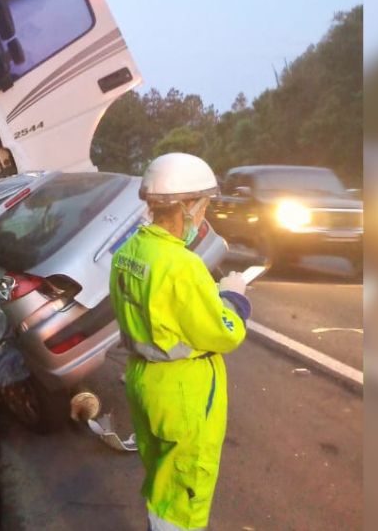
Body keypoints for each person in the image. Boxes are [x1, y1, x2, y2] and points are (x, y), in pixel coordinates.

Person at [109, 152, 251, 531]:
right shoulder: (182, 265)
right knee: (186, 489)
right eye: (203, 205)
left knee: (161, 476)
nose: (204, 214)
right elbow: (221, 332)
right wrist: (234, 297)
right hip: (182, 393)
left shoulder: (127, 252)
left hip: (144, 380)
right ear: (188, 207)